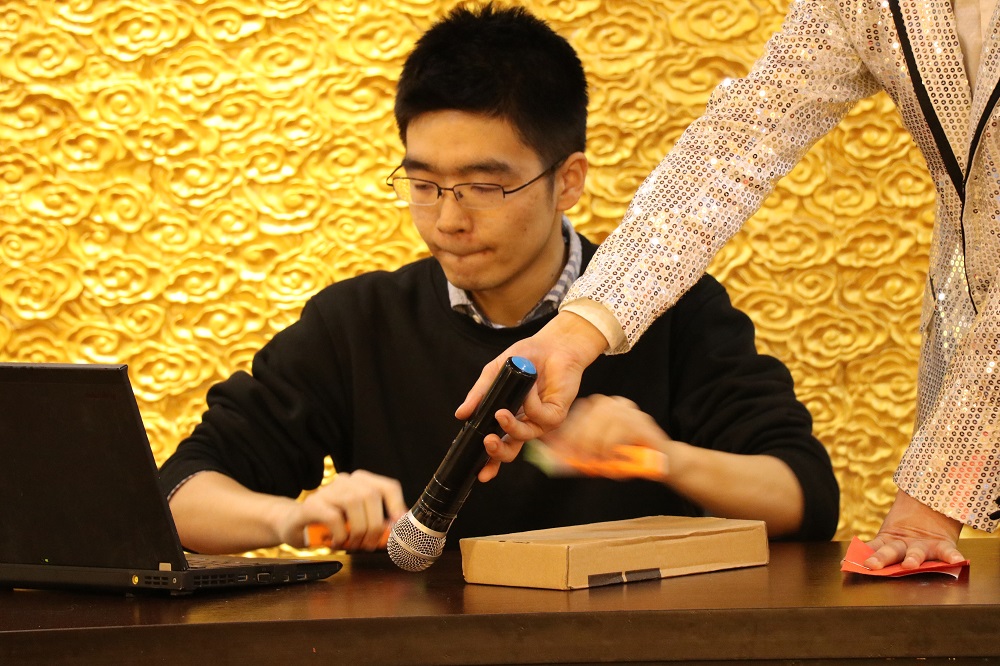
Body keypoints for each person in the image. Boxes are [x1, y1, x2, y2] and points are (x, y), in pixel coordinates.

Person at [158, 3, 839, 555]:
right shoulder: (355, 324)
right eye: (424, 184)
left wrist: (665, 459)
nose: (448, 219)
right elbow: (179, 493)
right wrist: (289, 520)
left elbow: (804, 498)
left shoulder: (670, 307)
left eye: (484, 187)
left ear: (567, 180)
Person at [463, 0, 1000, 570]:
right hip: (964, 326)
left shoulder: (695, 316)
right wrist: (571, 337)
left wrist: (931, 500)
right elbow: (744, 136)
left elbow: (805, 492)